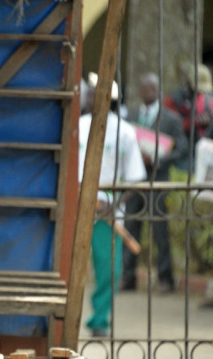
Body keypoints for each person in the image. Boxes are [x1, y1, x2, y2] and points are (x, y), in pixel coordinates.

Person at [78, 75, 147, 337]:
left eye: (94, 93)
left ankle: (98, 320)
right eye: (88, 93)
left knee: (109, 269)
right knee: (67, 267)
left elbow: (135, 178)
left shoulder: (125, 131)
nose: (88, 97)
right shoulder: (77, 126)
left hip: (108, 212)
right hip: (76, 206)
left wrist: (113, 204)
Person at [122, 73, 188, 293]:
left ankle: (165, 278)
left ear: (158, 90)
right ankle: (128, 277)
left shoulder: (171, 118)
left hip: (158, 180)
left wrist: (158, 160)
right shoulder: (131, 116)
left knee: (160, 230)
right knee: (130, 227)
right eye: (144, 87)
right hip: (135, 181)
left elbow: (182, 148)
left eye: (152, 88)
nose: (148, 91)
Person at [164, 64, 213, 171]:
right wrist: (194, 122)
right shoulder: (173, 99)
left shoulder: (205, 99)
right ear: (189, 82)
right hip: (179, 153)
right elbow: (167, 126)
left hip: (199, 150)